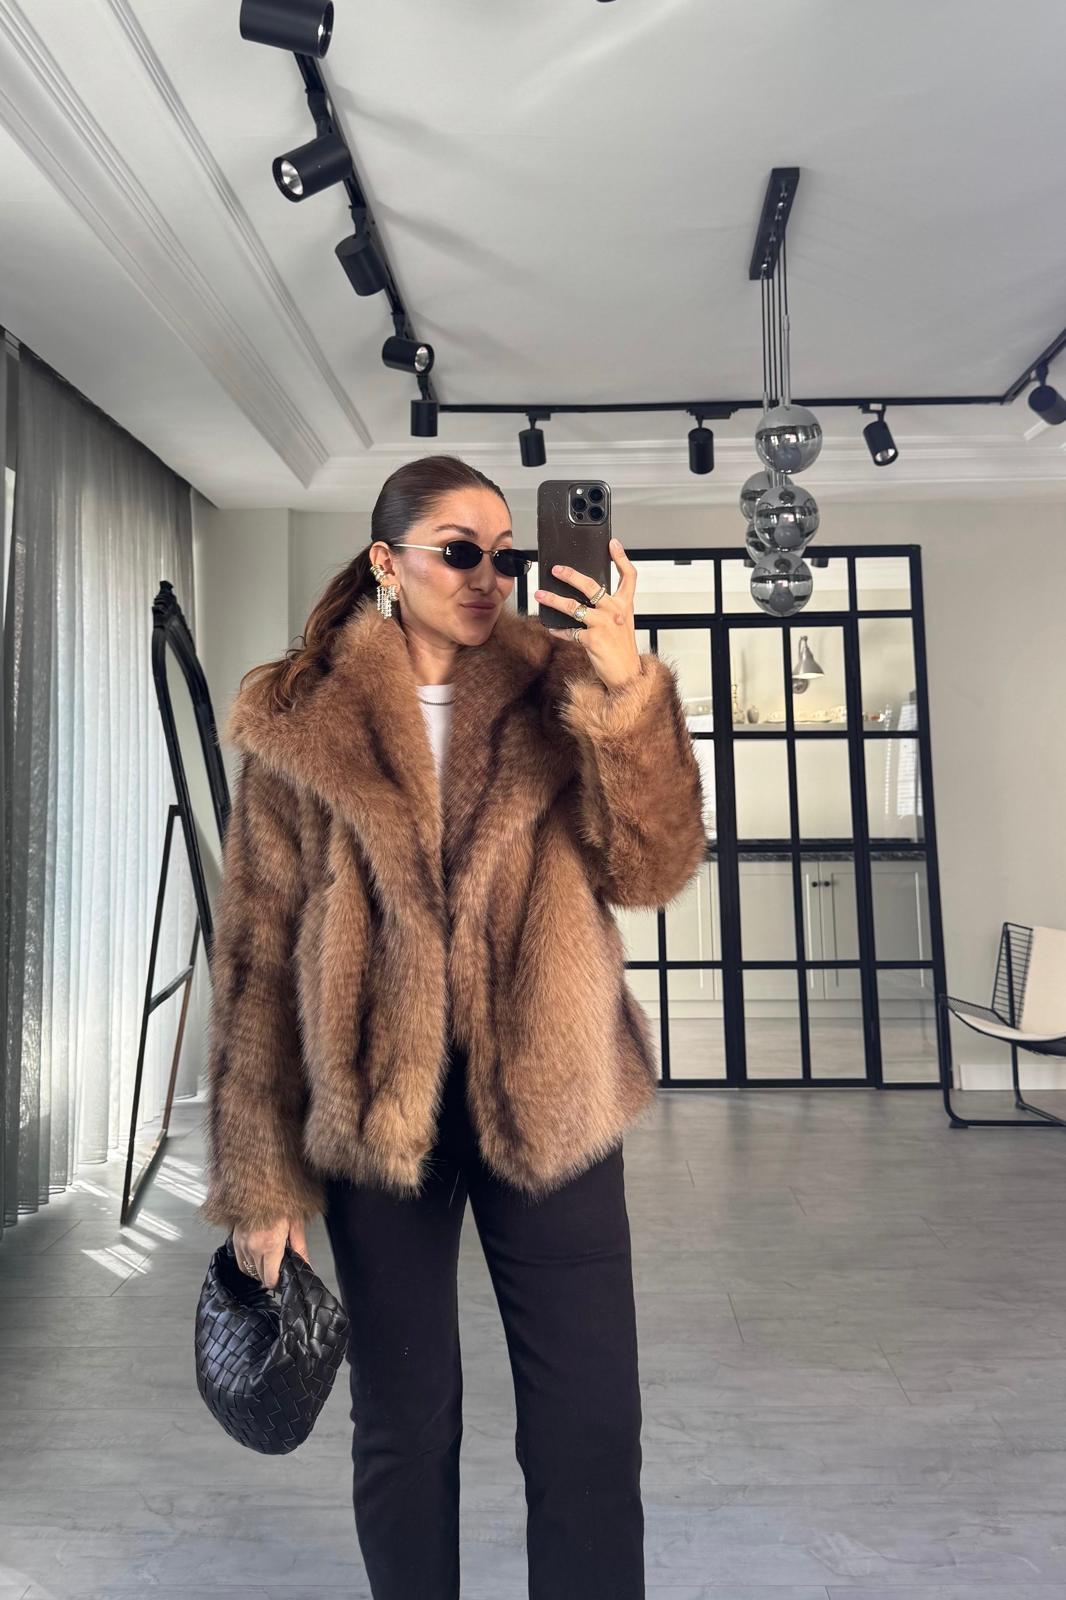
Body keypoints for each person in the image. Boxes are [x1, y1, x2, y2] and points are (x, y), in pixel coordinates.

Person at [199, 454, 707, 1600]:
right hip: (380, 1110)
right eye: (459, 551)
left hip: (555, 1094)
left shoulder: (561, 686)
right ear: (388, 562)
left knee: (589, 1422)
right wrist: (262, 1180)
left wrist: (625, 687)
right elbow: (258, 957)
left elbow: (653, 866)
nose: (487, 576)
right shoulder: (299, 720)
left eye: (503, 555)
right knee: (402, 1421)